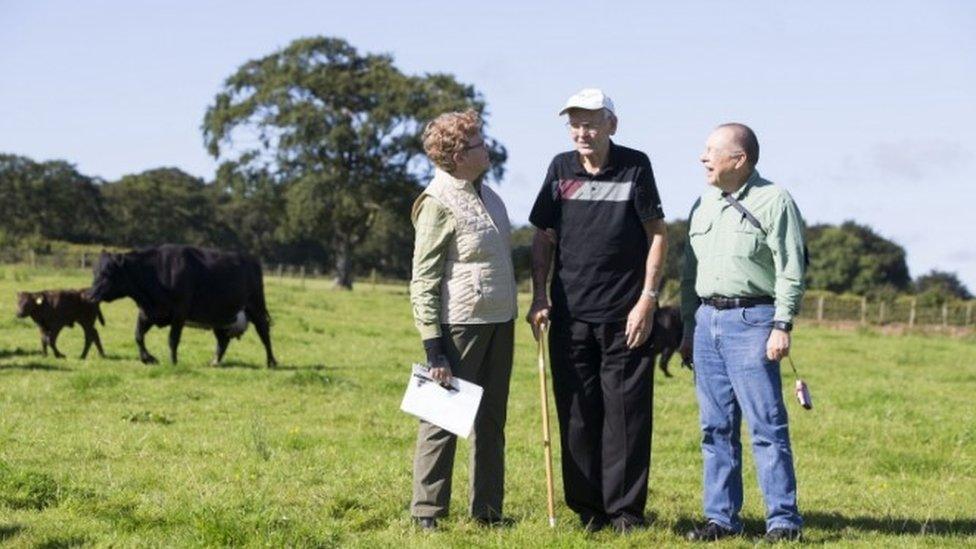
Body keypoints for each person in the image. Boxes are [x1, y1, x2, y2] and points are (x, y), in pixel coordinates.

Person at [526, 88, 668, 533]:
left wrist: (647, 299)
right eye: (575, 124)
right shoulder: (559, 168)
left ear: (612, 125)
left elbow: (657, 234)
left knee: (626, 417)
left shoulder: (635, 165)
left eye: (590, 123)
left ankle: (624, 513)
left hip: (626, 317)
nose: (582, 132)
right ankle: (587, 511)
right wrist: (538, 296)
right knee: (577, 415)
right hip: (570, 315)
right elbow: (543, 236)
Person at [679, 123, 807, 543]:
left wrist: (781, 325)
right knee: (714, 428)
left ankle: (783, 522)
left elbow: (791, 268)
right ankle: (721, 519)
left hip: (753, 322)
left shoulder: (775, 200)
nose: (703, 157)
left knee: (767, 426)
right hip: (706, 322)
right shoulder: (704, 204)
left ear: (740, 160)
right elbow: (688, 274)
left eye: (712, 150)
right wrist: (687, 327)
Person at [408, 109, 517, 530]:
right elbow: (423, 279)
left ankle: (488, 512)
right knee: (441, 418)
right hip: (458, 326)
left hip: (500, 321)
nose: (485, 147)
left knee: (491, 421)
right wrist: (433, 347)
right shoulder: (437, 202)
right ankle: (427, 512)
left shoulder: (491, 196)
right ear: (455, 155)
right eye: (476, 143)